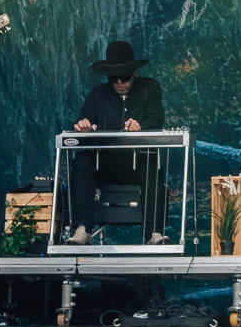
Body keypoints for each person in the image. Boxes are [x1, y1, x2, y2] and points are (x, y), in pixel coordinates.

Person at [65, 40, 167, 245]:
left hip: (135, 164)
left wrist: (141, 126)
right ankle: (82, 229)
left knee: (152, 165)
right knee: (81, 161)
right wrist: (83, 126)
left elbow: (156, 118)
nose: (119, 82)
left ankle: (154, 233)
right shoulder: (97, 95)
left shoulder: (149, 88)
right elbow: (81, 123)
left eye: (125, 77)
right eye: (113, 77)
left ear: (134, 71)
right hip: (104, 164)